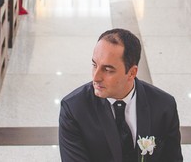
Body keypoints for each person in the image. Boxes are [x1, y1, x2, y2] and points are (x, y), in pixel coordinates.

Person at [59, 28, 183, 162]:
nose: (96, 77)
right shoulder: (74, 109)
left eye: (107, 69)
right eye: (94, 65)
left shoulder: (164, 106)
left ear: (131, 73)